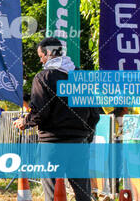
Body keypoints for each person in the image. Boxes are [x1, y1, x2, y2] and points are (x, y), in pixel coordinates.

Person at [14, 37, 99, 201]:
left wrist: (24, 122)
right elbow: (94, 113)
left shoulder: (43, 77)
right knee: (83, 193)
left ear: (49, 53)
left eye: (41, 56)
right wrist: (86, 137)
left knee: (54, 194)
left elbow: (40, 112)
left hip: (52, 144)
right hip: (78, 143)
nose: (41, 60)